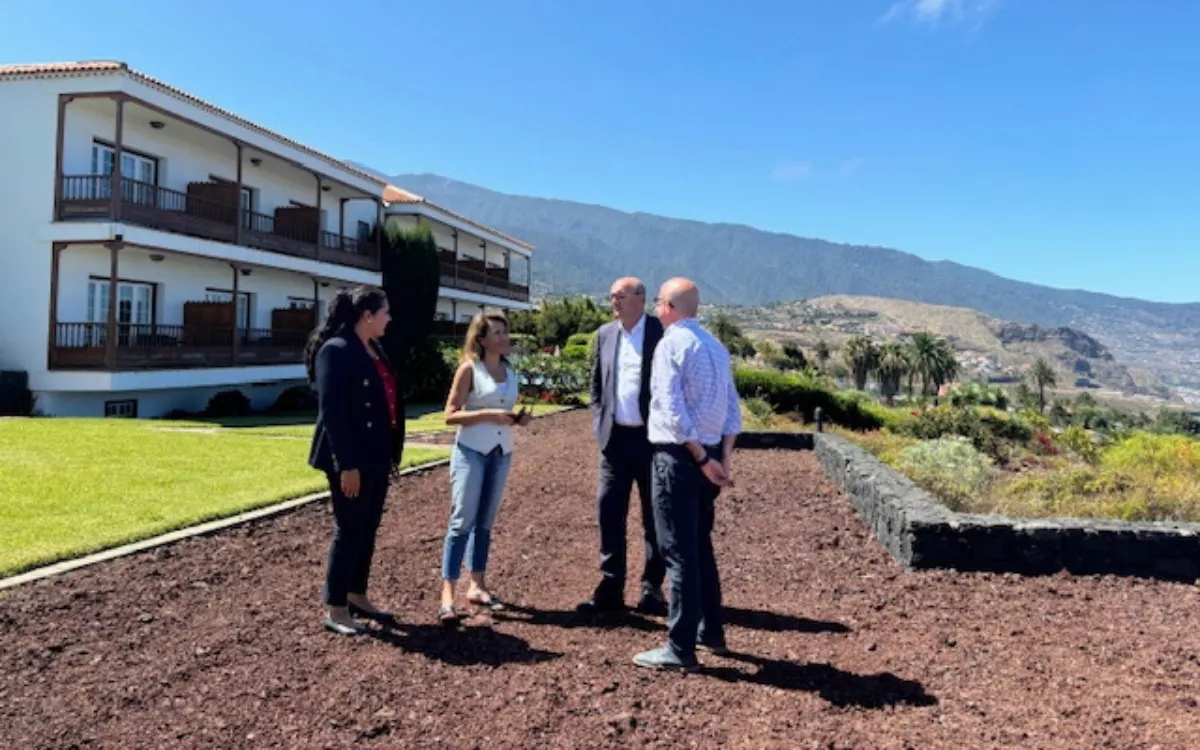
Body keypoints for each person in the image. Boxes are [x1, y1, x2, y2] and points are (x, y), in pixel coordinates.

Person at [633, 277, 742, 672]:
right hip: (708, 459)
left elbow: (672, 412)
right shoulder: (716, 347)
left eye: (659, 303)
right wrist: (721, 461)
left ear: (668, 307)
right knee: (700, 549)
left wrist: (698, 458)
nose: (657, 311)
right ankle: (711, 631)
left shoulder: (670, 345)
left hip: (679, 460)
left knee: (678, 553)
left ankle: (680, 648)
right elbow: (733, 411)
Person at [305, 286, 404, 636]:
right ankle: (335, 606)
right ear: (367, 316)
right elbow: (332, 413)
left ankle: (356, 593)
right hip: (350, 458)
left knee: (367, 527)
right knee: (349, 529)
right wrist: (346, 464)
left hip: (376, 454)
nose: (389, 318)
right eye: (385, 312)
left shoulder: (371, 348)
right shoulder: (336, 350)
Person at [576, 277, 667, 616]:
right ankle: (610, 587)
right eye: (611, 295)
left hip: (651, 441)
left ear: (640, 299)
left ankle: (651, 588)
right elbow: (597, 385)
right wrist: (599, 421)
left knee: (653, 517)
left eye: (620, 296)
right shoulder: (605, 334)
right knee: (608, 511)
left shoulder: (661, 333)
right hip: (614, 442)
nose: (614, 301)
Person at [438, 309, 532, 624]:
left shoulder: (510, 370)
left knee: (486, 522)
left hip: (501, 451)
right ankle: (448, 593)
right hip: (471, 451)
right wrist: (487, 414)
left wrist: (519, 419)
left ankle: (477, 584)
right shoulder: (469, 370)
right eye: (497, 333)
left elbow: (503, 411)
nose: (504, 338)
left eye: (505, 332)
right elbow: (450, 415)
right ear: (481, 339)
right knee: (462, 519)